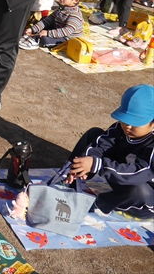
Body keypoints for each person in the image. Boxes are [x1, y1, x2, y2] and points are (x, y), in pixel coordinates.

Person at [65, 84, 154, 219]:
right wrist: (85, 164)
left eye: (135, 123)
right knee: (94, 134)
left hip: (143, 198)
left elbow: (139, 173)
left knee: (140, 191)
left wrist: (99, 165)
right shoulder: (119, 128)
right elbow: (101, 145)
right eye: (124, 121)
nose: (127, 126)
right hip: (118, 177)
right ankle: (70, 178)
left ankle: (99, 204)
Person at [20, 0, 84, 49]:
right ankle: (35, 35)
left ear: (75, 0)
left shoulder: (75, 14)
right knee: (42, 24)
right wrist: (32, 29)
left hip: (68, 38)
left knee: (45, 40)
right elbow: (48, 20)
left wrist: (48, 33)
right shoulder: (61, 8)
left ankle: (36, 40)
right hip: (58, 30)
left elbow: (67, 31)